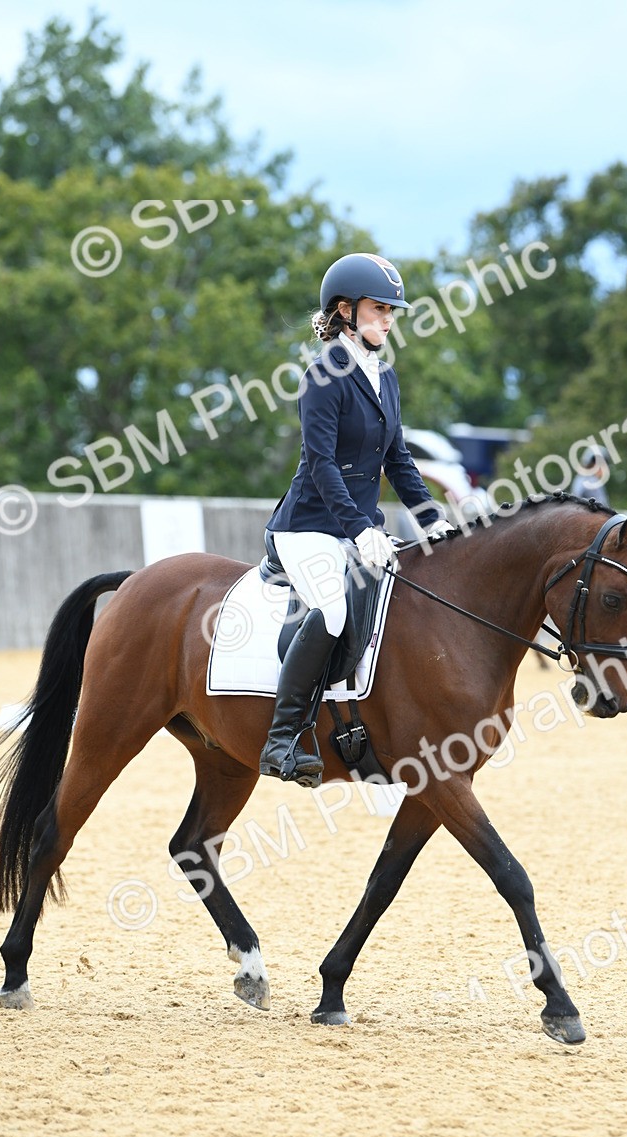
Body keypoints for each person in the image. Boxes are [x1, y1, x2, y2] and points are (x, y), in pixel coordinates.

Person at [259, 252, 453, 786]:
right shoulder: (323, 376)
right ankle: (283, 736)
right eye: (378, 309)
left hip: (359, 528)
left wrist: (432, 520)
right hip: (309, 526)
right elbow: (321, 464)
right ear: (345, 311)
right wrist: (361, 529)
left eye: (391, 311)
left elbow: (398, 460)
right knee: (333, 610)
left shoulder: (384, 376)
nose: (388, 320)